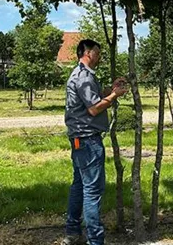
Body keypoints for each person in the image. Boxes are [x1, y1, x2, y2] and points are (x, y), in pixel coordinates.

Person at [63, 39, 128, 245]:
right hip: (88, 140)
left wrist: (110, 90)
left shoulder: (83, 76)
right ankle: (95, 241)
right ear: (88, 53)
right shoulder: (84, 77)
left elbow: (92, 98)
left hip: (79, 140)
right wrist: (115, 96)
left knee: (79, 185)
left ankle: (73, 232)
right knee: (92, 190)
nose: (99, 57)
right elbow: (93, 109)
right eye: (98, 53)